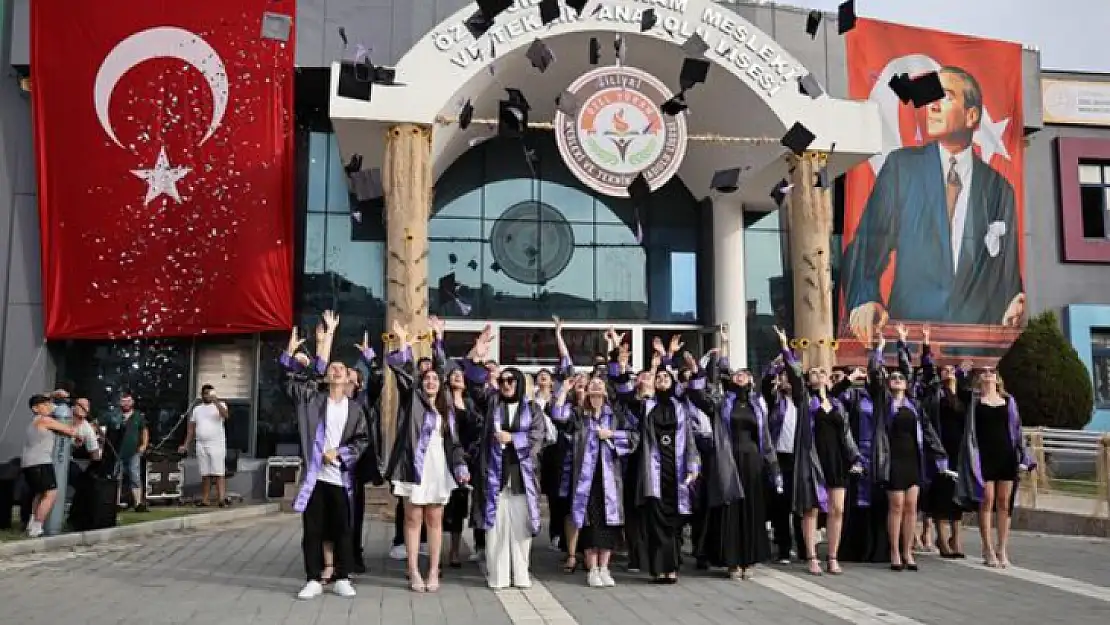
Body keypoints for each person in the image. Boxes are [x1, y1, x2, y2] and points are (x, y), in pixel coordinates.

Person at [844, 66, 1024, 341]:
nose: (933, 107)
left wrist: (1013, 303)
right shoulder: (902, 169)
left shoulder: (999, 189)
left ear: (971, 116)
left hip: (973, 346)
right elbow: (866, 250)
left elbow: (1007, 275)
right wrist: (865, 300)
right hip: (910, 338)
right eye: (931, 98)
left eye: (946, 97)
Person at [283, 312, 371, 600]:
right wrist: (322, 341)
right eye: (332, 367)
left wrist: (341, 453)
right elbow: (293, 381)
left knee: (343, 529)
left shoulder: (355, 409)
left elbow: (362, 440)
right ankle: (312, 578)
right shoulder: (312, 400)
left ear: (348, 378)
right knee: (313, 531)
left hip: (340, 477)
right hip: (315, 477)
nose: (336, 371)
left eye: (341, 369)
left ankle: (343, 576)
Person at [384, 320, 470, 593]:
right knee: (412, 519)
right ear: (421, 383)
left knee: (435, 520)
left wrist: (439, 339)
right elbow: (401, 369)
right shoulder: (413, 399)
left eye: (436, 379)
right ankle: (413, 571)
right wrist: (404, 343)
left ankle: (433, 570)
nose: (431, 380)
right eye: (427, 378)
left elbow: (454, 443)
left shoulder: (447, 411)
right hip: (413, 466)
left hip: (438, 468)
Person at [688, 329, 780, 581]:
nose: (741, 376)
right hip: (728, 460)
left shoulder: (757, 404)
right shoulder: (722, 403)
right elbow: (698, 396)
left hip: (752, 462)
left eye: (745, 374)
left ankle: (748, 559)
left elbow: (766, 440)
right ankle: (731, 562)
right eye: (738, 374)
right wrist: (710, 360)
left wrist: (773, 469)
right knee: (730, 510)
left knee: (751, 510)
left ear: (750, 381)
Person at [774, 326, 864, 576]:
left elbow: (846, 434)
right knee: (811, 509)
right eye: (813, 372)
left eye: (821, 371)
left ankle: (832, 556)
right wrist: (786, 347)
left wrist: (855, 456)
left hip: (836, 460)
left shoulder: (836, 403)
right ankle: (812, 556)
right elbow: (793, 373)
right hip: (813, 461)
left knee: (838, 509)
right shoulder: (804, 400)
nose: (818, 374)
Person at [465, 325, 547, 590]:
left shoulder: (532, 408)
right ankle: (498, 575)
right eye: (503, 381)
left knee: (522, 530)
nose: (507, 385)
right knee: (496, 529)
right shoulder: (491, 403)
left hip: (523, 476)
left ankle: (521, 574)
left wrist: (513, 439)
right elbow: (475, 384)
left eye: (512, 381)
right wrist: (475, 357)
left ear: (520, 383)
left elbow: (538, 436)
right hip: (496, 475)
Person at [869, 325, 951, 571]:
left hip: (912, 458)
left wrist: (904, 341)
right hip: (891, 458)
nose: (896, 380)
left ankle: (907, 551)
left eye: (900, 378)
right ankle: (894, 551)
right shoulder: (884, 403)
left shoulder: (914, 404)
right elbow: (875, 372)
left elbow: (928, 432)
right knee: (895, 506)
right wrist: (881, 348)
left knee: (911, 507)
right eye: (892, 378)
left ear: (906, 384)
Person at [552, 375, 639, 589]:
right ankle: (592, 569)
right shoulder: (580, 416)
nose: (597, 387)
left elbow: (634, 437)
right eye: (593, 385)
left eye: (600, 385)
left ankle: (604, 568)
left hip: (609, 478)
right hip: (586, 479)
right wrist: (564, 389)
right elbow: (558, 415)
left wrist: (612, 434)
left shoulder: (616, 416)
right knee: (590, 524)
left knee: (608, 525)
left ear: (606, 393)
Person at [955, 365, 1034, 568]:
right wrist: (961, 370)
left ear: (998, 378)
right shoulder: (974, 401)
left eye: (992, 372)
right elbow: (959, 390)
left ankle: (1002, 548)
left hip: (1005, 455)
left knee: (1003, 502)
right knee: (986, 500)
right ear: (979, 379)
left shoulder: (1008, 401)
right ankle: (987, 548)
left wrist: (1025, 457)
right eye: (984, 372)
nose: (988, 374)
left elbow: (1017, 430)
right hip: (983, 456)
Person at [919, 327, 972, 558]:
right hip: (941, 452)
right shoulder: (936, 394)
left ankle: (957, 539)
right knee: (942, 496)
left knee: (958, 498)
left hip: (959, 451)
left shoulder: (963, 396)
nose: (949, 371)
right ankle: (942, 540)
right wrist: (926, 342)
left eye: (952, 369)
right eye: (945, 370)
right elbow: (928, 368)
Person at [21, 394, 77, 538]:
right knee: (51, 494)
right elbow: (70, 430)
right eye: (44, 405)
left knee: (40, 493)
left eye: (48, 404)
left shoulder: (33, 422)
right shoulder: (45, 420)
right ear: (35, 408)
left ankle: (31, 524)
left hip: (29, 463)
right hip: (40, 462)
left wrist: (54, 396)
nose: (48, 407)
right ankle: (38, 526)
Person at [179, 384, 229, 507]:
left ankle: (221, 499)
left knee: (218, 472)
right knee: (205, 473)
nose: (207, 396)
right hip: (201, 444)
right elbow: (191, 429)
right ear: (202, 395)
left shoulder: (221, 405)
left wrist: (215, 401)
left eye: (210, 393)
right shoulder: (197, 409)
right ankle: (205, 499)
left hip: (216, 443)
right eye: (205, 393)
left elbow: (225, 416)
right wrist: (186, 444)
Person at [107, 391, 149, 512]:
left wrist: (144, 445)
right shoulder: (114, 415)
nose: (126, 403)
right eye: (123, 401)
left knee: (135, 476)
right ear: (120, 402)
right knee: (116, 476)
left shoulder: (138, 416)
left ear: (133, 402)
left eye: (128, 401)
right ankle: (115, 502)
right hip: (117, 451)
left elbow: (145, 430)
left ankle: (138, 503)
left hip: (134, 451)